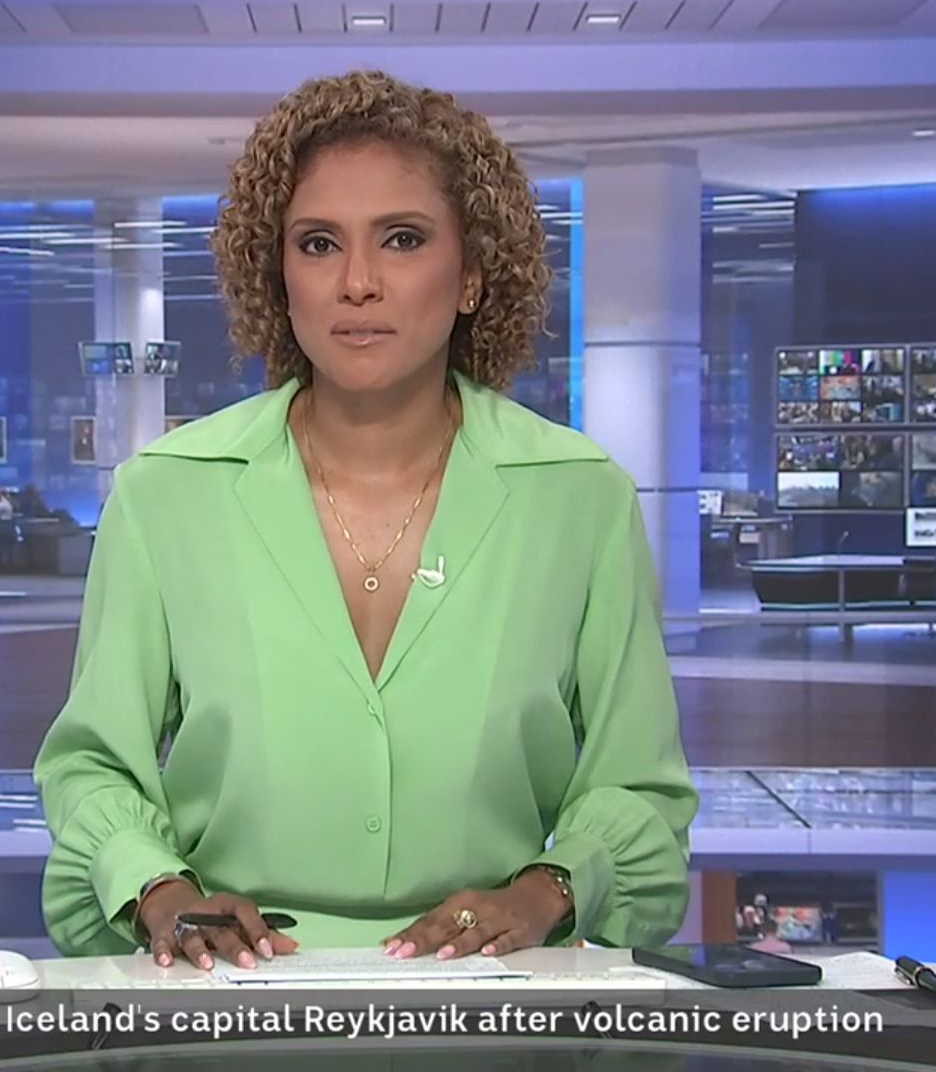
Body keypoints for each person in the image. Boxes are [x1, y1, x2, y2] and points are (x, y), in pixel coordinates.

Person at [34, 70, 698, 970]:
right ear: (279, 278)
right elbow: (91, 766)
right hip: (231, 991)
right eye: (318, 244)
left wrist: (542, 892)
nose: (357, 283)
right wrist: (162, 892)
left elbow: (639, 787)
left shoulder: (580, 499)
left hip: (491, 990)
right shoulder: (164, 495)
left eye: (402, 239)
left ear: (471, 277)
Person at [0, 490, 20, 570]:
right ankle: (10, 564)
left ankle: (2, 565)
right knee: (9, 548)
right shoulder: (8, 504)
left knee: (1, 547)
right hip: (9, 528)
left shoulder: (0, 505)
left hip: (3, 528)